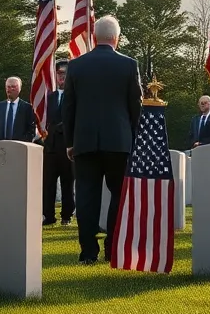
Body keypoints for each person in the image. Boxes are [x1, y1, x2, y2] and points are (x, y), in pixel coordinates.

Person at [62, 15, 142, 265]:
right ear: (116, 38)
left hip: (84, 142)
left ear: (94, 38)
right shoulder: (129, 65)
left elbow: (68, 108)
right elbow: (135, 107)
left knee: (86, 196)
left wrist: (69, 142)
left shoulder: (76, 66)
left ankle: (88, 252)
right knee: (119, 194)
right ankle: (112, 247)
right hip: (119, 142)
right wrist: (135, 139)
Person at [42, 60, 74, 227]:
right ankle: (48, 215)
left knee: (67, 182)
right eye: (59, 74)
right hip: (50, 146)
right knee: (48, 183)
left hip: (67, 146)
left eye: (64, 74)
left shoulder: (74, 97)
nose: (62, 77)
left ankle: (66, 215)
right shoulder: (49, 97)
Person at [0, 76, 36, 142]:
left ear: (19, 88)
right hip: (0, 148)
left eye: (13, 87)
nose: (9, 89)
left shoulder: (27, 108)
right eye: (8, 87)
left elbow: (31, 130)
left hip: (19, 147)